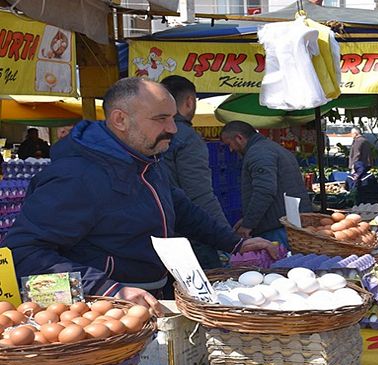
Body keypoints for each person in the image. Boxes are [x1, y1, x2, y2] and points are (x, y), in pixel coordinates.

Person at [5, 78, 277, 314]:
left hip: (151, 298)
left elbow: (180, 208)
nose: (173, 128)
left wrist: (235, 244)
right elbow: (25, 252)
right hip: (102, 311)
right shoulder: (75, 176)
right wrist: (109, 290)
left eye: (172, 117)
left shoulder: (145, 161)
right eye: (161, 119)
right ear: (120, 120)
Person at [160, 75, 230, 269]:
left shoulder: (150, 134)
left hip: (161, 231)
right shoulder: (186, 137)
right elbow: (199, 194)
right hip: (189, 235)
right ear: (189, 102)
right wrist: (230, 238)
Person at [219, 121, 310, 247]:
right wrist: (247, 218)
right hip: (289, 223)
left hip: (277, 228)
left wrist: (248, 224)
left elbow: (264, 191)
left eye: (229, 144)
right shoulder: (272, 148)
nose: (231, 149)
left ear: (239, 138)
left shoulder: (258, 153)